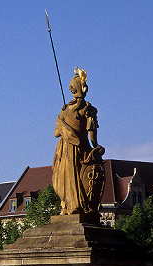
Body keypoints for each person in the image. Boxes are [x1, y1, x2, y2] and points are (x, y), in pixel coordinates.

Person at [52, 68, 105, 222]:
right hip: (80, 148)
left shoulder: (64, 110)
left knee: (65, 179)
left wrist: (63, 125)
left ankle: (66, 207)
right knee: (78, 178)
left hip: (63, 149)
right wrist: (95, 146)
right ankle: (77, 207)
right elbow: (91, 130)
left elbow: (56, 133)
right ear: (84, 89)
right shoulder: (88, 109)